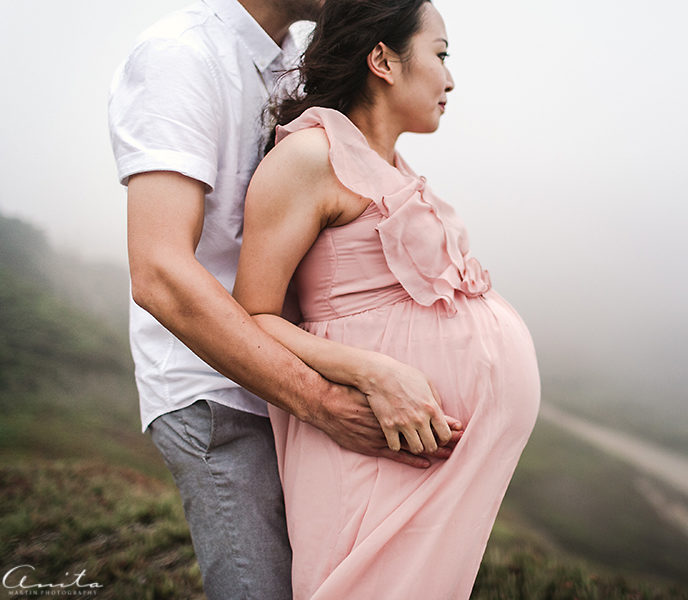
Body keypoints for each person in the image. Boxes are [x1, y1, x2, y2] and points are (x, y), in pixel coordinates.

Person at [108, 0, 460, 597]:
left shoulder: (295, 59)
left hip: (300, 385)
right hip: (220, 395)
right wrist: (319, 401)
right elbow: (160, 272)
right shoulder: (181, 57)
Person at [232, 0, 541, 597]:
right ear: (383, 60)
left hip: (424, 463)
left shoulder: (388, 165)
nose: (450, 78)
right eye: (441, 54)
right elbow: (253, 315)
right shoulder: (309, 157)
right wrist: (373, 372)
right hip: (375, 453)